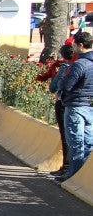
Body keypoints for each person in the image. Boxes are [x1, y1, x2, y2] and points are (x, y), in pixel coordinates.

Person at [54, 30, 93, 182]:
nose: (73, 48)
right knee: (88, 142)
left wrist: (62, 82)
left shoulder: (79, 65)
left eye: (75, 45)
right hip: (90, 107)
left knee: (76, 143)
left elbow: (66, 86)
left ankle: (73, 175)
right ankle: (83, 175)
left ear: (80, 46)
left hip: (76, 106)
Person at [38, 44, 77, 177]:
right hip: (78, 104)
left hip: (63, 103)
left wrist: (54, 74)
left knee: (66, 135)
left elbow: (54, 87)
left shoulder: (65, 68)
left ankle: (66, 166)